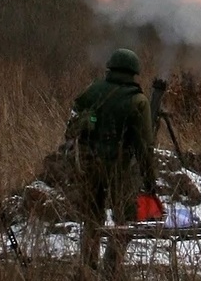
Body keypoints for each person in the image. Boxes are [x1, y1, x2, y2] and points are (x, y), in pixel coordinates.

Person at [63, 48, 157, 280]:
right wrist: (149, 181)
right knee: (124, 220)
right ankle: (111, 269)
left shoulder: (91, 91)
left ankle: (87, 266)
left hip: (88, 166)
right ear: (134, 72)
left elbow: (70, 128)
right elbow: (144, 148)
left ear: (110, 68)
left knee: (91, 217)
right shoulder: (138, 101)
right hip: (119, 169)